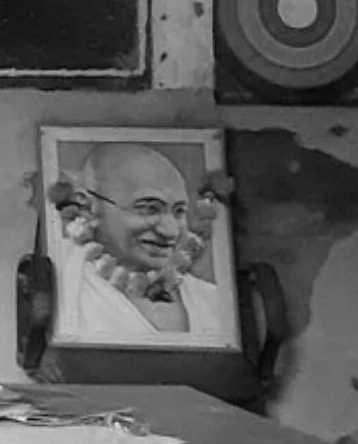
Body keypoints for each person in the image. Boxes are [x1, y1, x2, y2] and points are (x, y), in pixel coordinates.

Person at [55, 140, 229, 339]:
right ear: (87, 206)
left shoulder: (211, 301)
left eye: (179, 212)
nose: (170, 232)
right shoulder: (62, 276)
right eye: (149, 209)